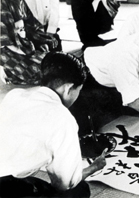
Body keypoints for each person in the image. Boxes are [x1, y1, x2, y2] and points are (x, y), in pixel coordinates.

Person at [0, 52, 108, 197]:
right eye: (78, 91)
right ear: (68, 88)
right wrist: (94, 167)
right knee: (78, 190)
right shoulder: (62, 117)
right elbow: (64, 184)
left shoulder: (15, 94)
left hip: (5, 177)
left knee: (31, 183)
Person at [0, 0, 59, 85]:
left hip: (23, 44)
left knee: (55, 63)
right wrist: (28, 52)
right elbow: (4, 41)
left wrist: (43, 41)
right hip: (7, 49)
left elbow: (33, 25)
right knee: (41, 73)